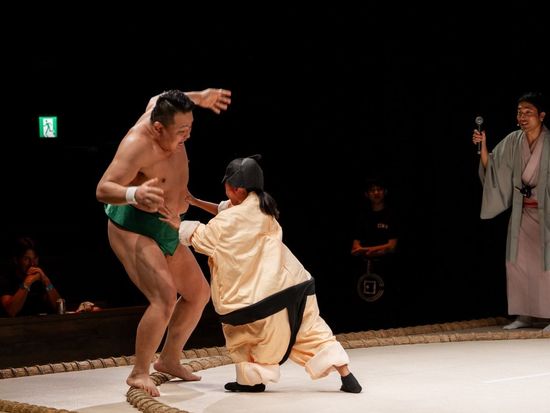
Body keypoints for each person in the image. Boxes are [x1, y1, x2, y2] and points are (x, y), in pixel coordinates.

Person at [159, 155, 362, 394]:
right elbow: (227, 210)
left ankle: (252, 381)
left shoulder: (229, 221)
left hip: (257, 297)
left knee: (245, 337)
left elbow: (204, 238)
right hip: (294, 285)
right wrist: (195, 201)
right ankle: (347, 375)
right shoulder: (264, 206)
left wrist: (178, 224)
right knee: (310, 331)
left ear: (237, 189)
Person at [96, 87, 232, 397]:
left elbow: (164, 96)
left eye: (190, 127)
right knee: (164, 298)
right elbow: (103, 189)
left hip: (167, 222)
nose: (188, 135)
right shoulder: (136, 145)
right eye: (181, 130)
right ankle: (139, 372)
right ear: (158, 128)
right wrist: (133, 193)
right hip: (133, 225)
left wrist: (201, 96)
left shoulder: (162, 108)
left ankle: (169, 359)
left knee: (199, 293)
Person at [473, 91, 550, 331]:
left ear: (542, 116)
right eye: (519, 112)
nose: (522, 117)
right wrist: (483, 147)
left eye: (528, 112)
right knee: (518, 263)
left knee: (546, 266)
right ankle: (525, 315)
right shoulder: (514, 141)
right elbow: (495, 168)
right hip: (522, 214)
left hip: (547, 215)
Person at [350, 178, 400, 325]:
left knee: (387, 310)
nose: (376, 193)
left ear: (385, 192)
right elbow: (355, 248)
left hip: (387, 269)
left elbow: (392, 246)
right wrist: (378, 249)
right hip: (365, 271)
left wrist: (366, 250)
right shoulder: (362, 216)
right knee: (365, 310)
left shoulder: (392, 215)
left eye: (379, 189)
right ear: (367, 194)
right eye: (372, 190)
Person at [0, 236, 62, 317]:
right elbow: (11, 311)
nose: (32, 264)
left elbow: (59, 309)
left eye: (35, 258)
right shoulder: (6, 278)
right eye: (26, 259)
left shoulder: (41, 276)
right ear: (16, 260)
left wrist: (46, 281)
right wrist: (27, 282)